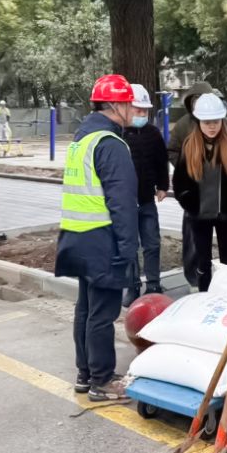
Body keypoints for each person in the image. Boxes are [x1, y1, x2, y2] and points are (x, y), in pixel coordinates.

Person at [55, 75, 139, 402]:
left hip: (77, 236)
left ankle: (85, 373)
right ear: (116, 105)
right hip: (103, 239)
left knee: (86, 308)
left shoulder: (81, 141)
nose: (133, 109)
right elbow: (122, 202)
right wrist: (128, 248)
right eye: (129, 103)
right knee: (102, 314)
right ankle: (102, 381)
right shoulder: (111, 144)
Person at [172, 94, 227, 292]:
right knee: (202, 261)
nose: (212, 126)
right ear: (199, 121)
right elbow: (180, 181)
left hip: (226, 215)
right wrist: (189, 202)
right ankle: (204, 294)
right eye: (207, 122)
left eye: (216, 121)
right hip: (199, 215)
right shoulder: (189, 146)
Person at [167, 81, 227, 286]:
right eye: (195, 100)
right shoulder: (183, 125)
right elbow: (172, 150)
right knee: (195, 245)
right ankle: (197, 282)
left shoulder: (225, 124)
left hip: (222, 198)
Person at [123, 84, 169, 307]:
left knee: (152, 243)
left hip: (147, 200)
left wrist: (163, 186)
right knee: (129, 246)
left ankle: (153, 284)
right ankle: (132, 286)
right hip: (125, 202)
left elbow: (161, 161)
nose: (141, 115)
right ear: (127, 109)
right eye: (137, 110)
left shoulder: (153, 134)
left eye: (145, 111)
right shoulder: (119, 133)